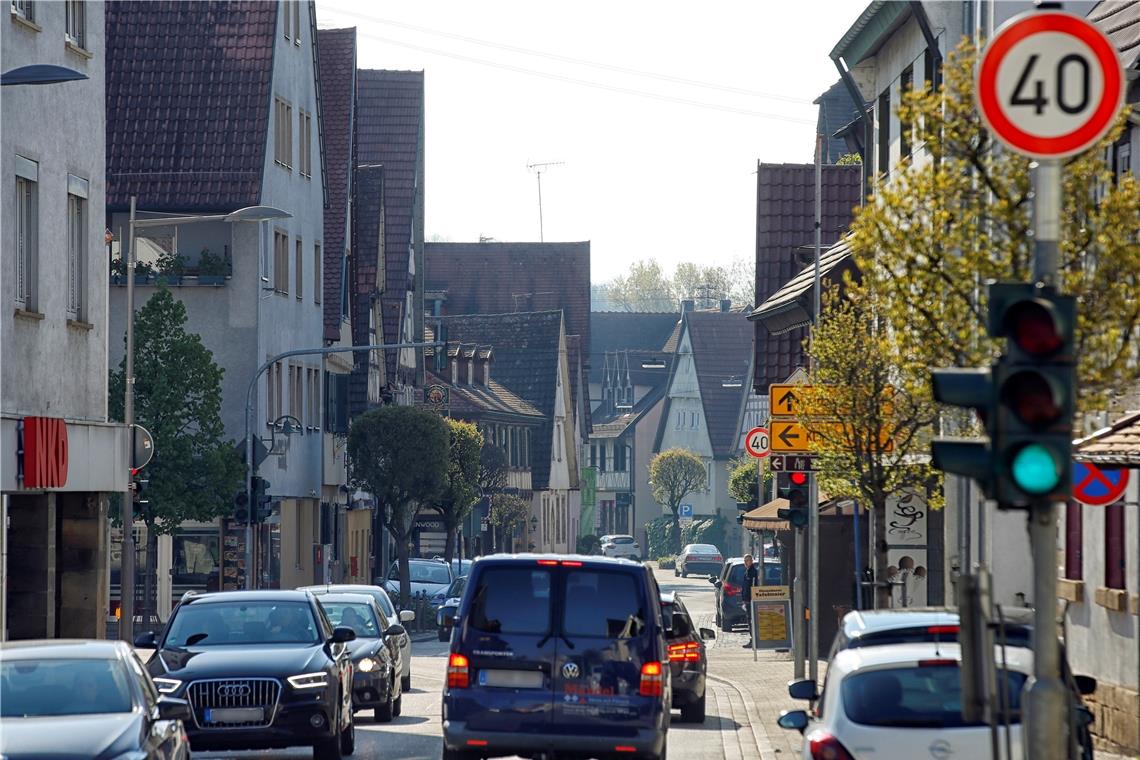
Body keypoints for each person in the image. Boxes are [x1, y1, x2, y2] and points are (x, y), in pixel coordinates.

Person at [740, 554, 760, 648]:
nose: (745, 562)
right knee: (750, 620)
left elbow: (753, 587)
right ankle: (753, 639)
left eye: (747, 560)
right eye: (744, 561)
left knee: (752, 621)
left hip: (751, 600)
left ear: (751, 561)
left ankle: (755, 640)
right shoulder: (747, 572)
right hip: (747, 600)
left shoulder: (753, 572)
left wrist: (751, 598)